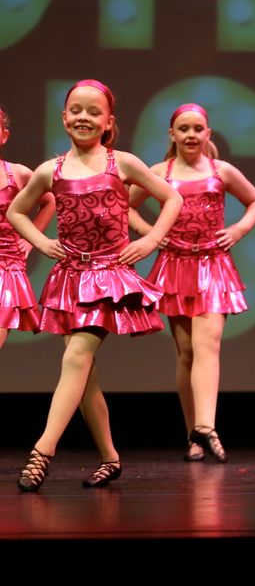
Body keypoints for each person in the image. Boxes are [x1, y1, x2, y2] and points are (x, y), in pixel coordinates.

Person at [7, 79, 182, 491]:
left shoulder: (123, 163)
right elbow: (16, 212)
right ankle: (110, 457)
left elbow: (172, 198)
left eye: (93, 112)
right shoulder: (51, 170)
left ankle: (42, 451)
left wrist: (150, 241)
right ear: (63, 117)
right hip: (69, 278)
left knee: (77, 357)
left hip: (108, 277)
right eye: (76, 110)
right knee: (84, 375)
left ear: (108, 122)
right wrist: (41, 242)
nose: (83, 117)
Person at [129, 103, 255, 464]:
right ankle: (194, 435)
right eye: (184, 129)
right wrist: (151, 234)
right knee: (187, 352)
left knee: (208, 343)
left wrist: (239, 229)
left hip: (213, 265)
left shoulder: (221, 171)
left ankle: (207, 426)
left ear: (208, 133)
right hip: (176, 267)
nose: (191, 135)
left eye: (198, 129)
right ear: (172, 134)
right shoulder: (159, 173)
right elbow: (125, 205)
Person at [0, 105, 54, 347]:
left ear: (4, 136)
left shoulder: (18, 174)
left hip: (6, 266)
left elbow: (49, 201)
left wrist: (30, 240)